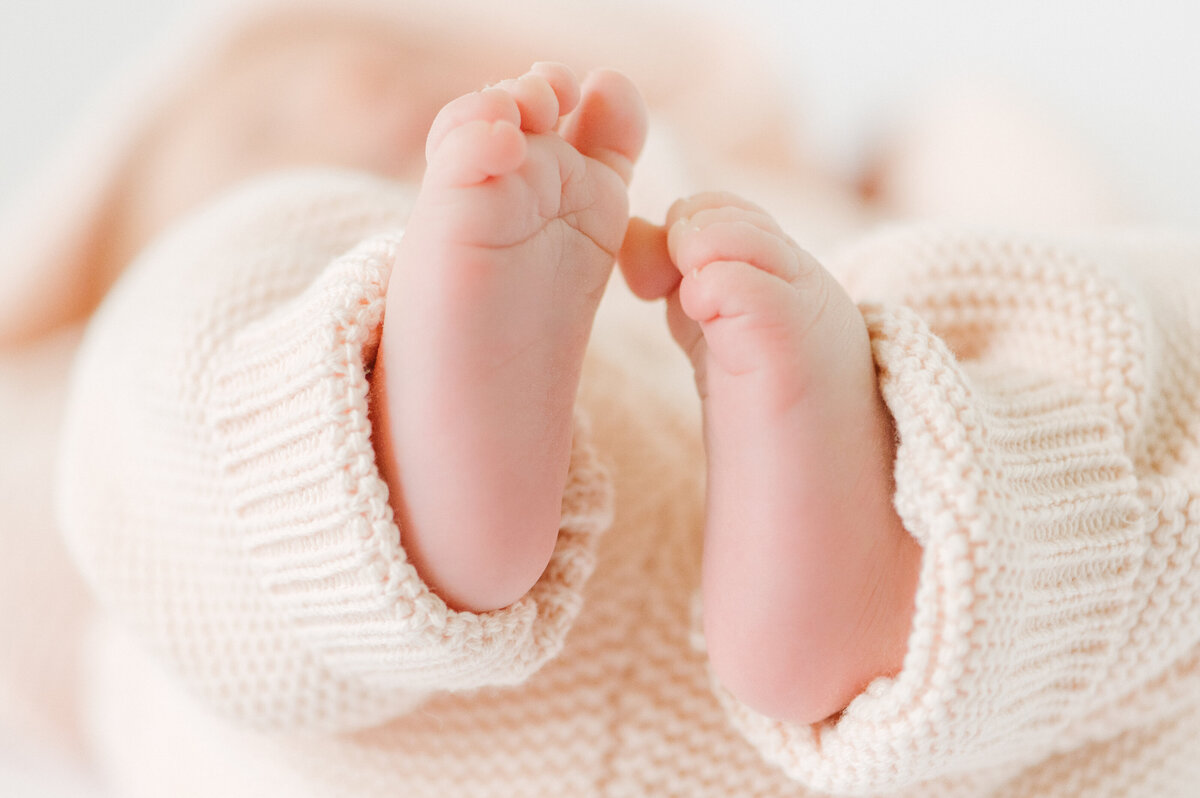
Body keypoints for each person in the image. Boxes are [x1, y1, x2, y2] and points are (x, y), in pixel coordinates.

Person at [4, 2, 1199, 795]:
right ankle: (389, 448)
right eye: (261, 125)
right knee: (172, 359)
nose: (358, 84)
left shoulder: (767, 198)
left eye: (420, 70)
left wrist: (927, 180)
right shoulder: (70, 434)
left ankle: (899, 550)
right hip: (361, 718)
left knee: (1123, 321)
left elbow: (1053, 232)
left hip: (961, 709)